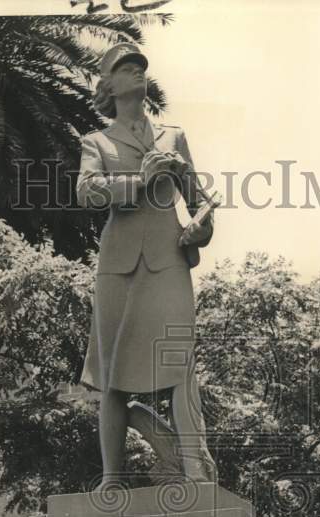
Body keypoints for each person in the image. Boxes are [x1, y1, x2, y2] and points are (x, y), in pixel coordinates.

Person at [76, 42, 217, 485]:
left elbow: (200, 204)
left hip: (169, 260)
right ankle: (112, 477)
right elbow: (87, 193)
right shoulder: (96, 141)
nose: (136, 70)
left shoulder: (173, 137)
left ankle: (195, 469)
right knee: (113, 376)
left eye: (139, 66)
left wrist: (200, 228)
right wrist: (141, 180)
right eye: (125, 67)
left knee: (179, 364)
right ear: (109, 86)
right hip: (118, 267)